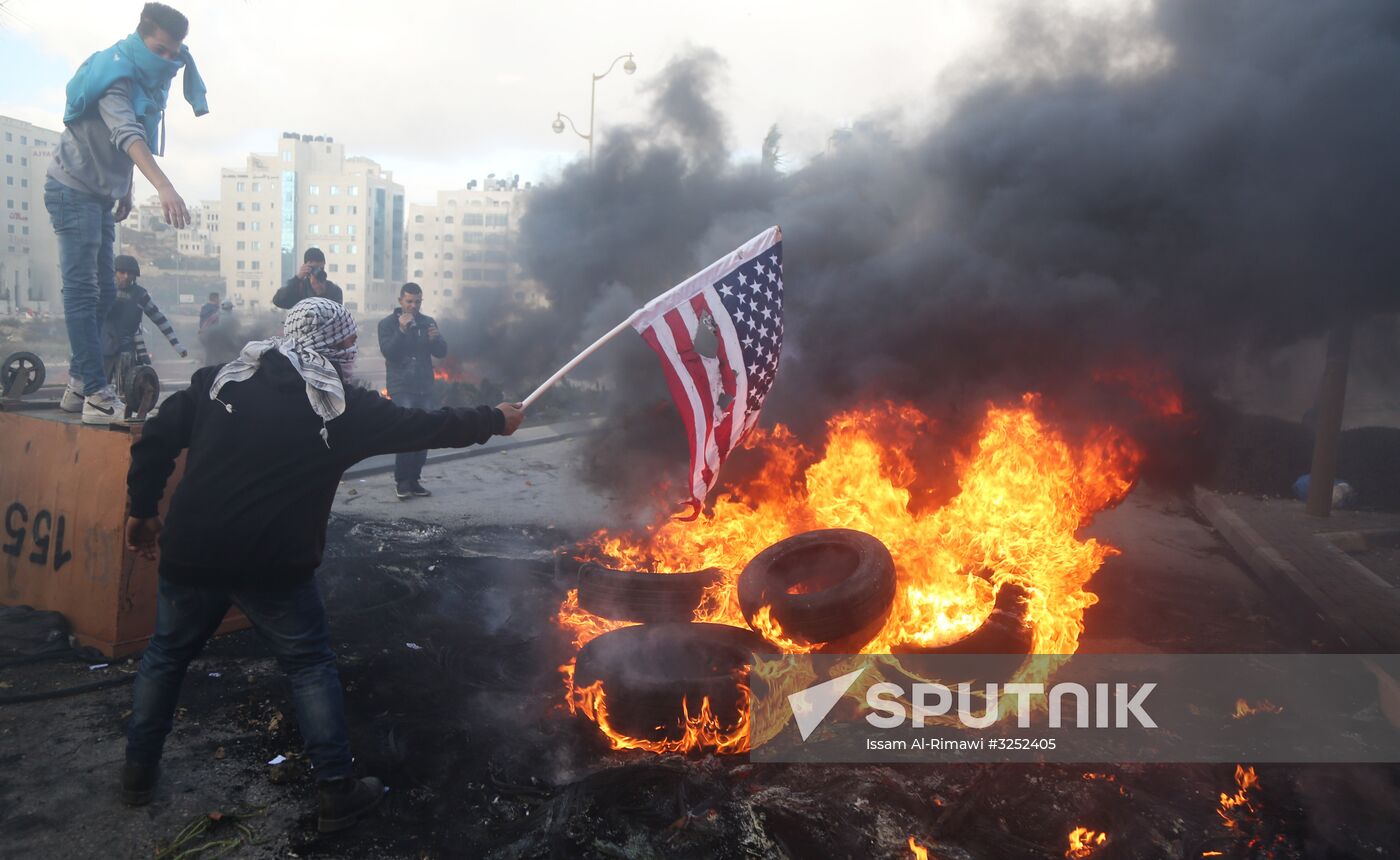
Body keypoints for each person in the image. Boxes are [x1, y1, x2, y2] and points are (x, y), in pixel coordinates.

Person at [123, 297, 525, 832]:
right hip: (274, 566)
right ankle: (337, 791)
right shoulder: (341, 408)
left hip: (191, 553)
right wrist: (494, 420)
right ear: (340, 345)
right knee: (308, 665)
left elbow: (153, 441)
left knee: (166, 656)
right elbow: (427, 427)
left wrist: (144, 512)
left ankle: (136, 775)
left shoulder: (219, 381)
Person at [47, 2, 207, 426]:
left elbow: (130, 137)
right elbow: (127, 132)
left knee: (102, 293)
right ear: (142, 37)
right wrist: (163, 185)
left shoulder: (148, 83)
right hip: (71, 189)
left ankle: (81, 383)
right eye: (161, 50)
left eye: (176, 54)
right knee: (82, 292)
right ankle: (97, 394)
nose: (169, 62)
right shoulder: (115, 75)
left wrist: (128, 187)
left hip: (100, 195)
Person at [377, 283, 448, 499]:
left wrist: (436, 339)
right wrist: (401, 330)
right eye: (409, 301)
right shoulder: (387, 324)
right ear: (400, 301)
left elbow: (441, 352)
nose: (413, 306)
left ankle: (415, 479)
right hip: (401, 385)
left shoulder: (427, 322)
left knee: (424, 432)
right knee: (407, 431)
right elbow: (390, 353)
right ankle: (402, 481)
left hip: (424, 385)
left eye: (417, 301)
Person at [96, 255, 188, 406]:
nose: (126, 276)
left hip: (126, 350)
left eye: (129, 273)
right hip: (103, 347)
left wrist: (176, 345)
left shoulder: (140, 295)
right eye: (122, 272)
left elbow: (159, 319)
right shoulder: (104, 291)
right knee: (99, 391)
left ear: (134, 275)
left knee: (126, 393)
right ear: (114, 272)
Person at [273, 248, 343, 308]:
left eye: (320, 268)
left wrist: (321, 294)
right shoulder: (300, 288)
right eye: (313, 268)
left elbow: (336, 314)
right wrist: (297, 278)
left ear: (324, 264)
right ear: (305, 267)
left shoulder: (334, 290)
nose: (317, 272)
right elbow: (278, 301)